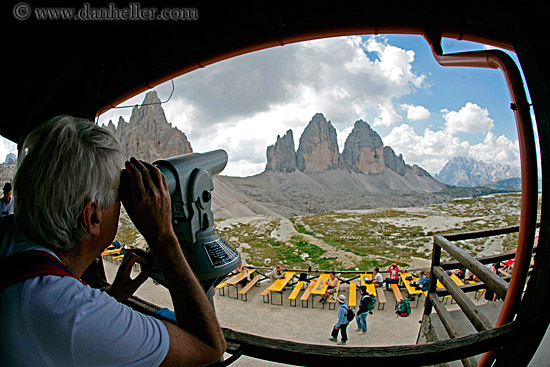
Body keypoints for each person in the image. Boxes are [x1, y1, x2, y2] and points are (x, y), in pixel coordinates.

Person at [0, 116, 226, 366]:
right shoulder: (74, 314)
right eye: (119, 194)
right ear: (92, 216)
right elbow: (209, 346)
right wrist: (162, 235)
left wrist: (113, 296)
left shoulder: (8, 239)